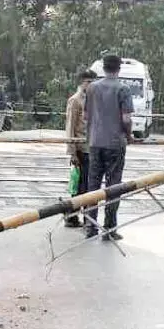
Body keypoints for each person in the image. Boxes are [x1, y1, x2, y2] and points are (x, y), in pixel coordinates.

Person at [84, 55, 134, 241]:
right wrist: (129, 136)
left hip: (95, 143)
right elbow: (126, 119)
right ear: (118, 69)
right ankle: (109, 229)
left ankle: (90, 226)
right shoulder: (123, 89)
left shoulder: (91, 88)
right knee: (113, 186)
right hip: (115, 144)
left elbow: (86, 116)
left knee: (93, 185)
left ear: (103, 68)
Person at [64, 70, 97, 228]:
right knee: (80, 185)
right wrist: (72, 152)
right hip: (80, 149)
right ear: (81, 82)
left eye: (92, 82)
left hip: (92, 148)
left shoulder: (94, 100)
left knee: (89, 185)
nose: (90, 85)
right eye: (87, 82)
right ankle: (72, 217)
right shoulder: (75, 100)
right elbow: (70, 127)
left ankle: (86, 219)